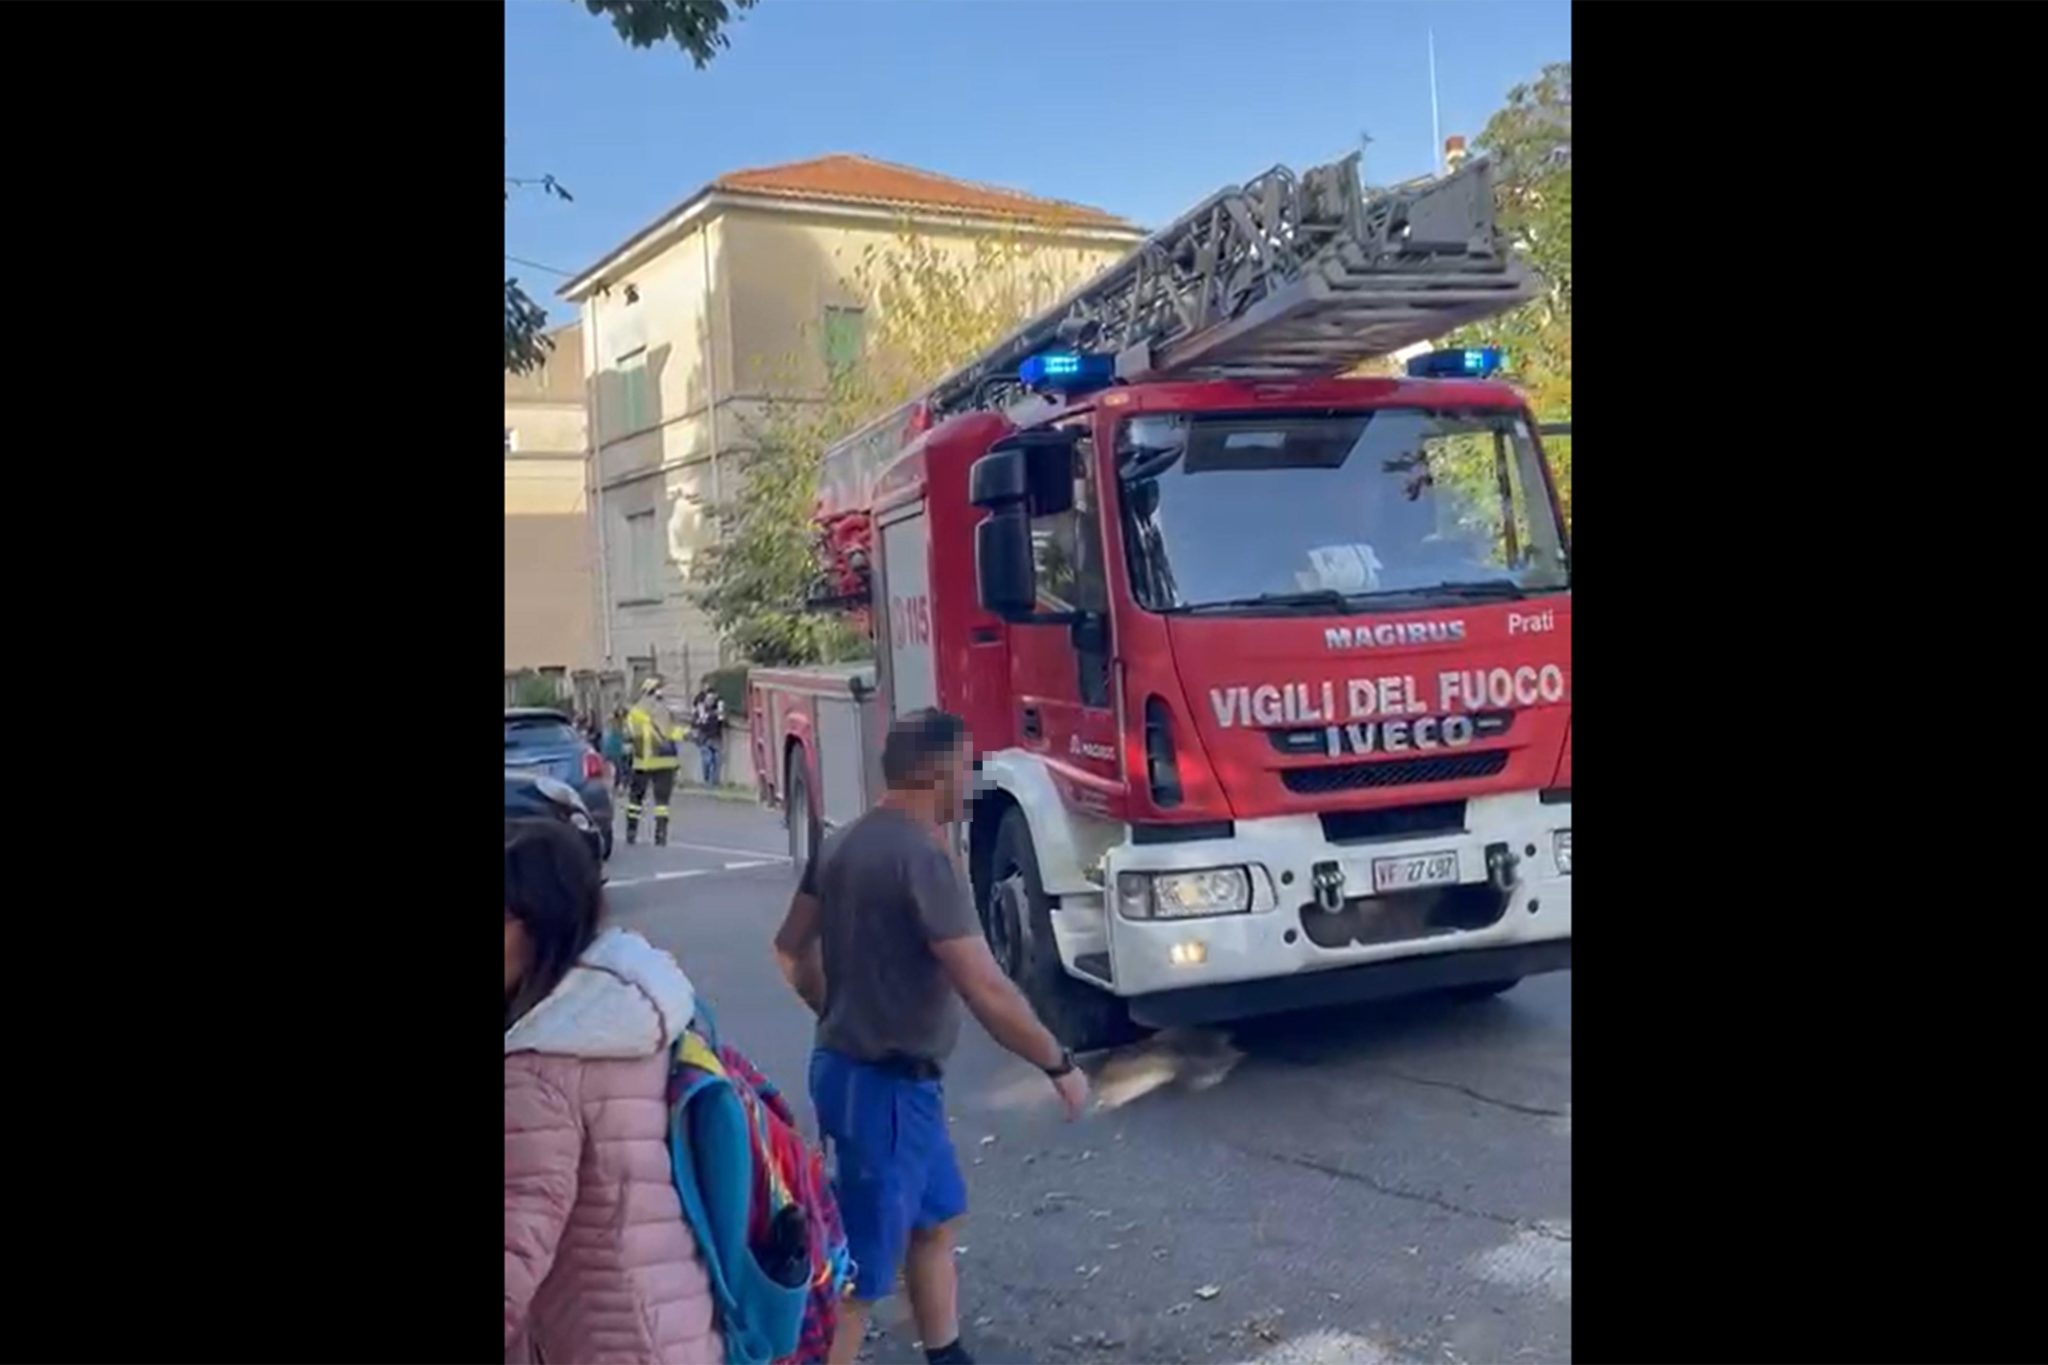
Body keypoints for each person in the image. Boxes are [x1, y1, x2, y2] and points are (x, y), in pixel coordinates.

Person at [773, 708, 1089, 1365]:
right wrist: (1057, 1062)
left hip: (871, 1079)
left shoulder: (842, 842)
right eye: (964, 766)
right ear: (935, 769)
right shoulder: (920, 855)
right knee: (859, 1272)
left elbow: (790, 950)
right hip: (882, 1090)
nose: (968, 780)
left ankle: (946, 1354)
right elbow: (983, 986)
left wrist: (835, 1009)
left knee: (936, 1218)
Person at [503, 817, 722, 1365]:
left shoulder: (540, 1067)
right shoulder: (631, 1011)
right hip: (678, 1326)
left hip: (609, 1343)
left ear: (539, 924)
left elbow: (514, 1250)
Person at [624, 677, 685, 846]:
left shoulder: (635, 712)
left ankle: (631, 831)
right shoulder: (666, 711)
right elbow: (675, 734)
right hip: (666, 761)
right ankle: (661, 834)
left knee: (635, 800)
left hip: (643, 763)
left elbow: (630, 735)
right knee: (662, 803)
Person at [691, 681, 728, 789]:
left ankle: (712, 782)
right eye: (709, 699)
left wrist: (720, 716)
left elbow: (722, 721)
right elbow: (695, 721)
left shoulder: (718, 707)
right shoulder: (701, 707)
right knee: (708, 759)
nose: (710, 701)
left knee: (716, 760)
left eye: (712, 699)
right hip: (704, 737)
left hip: (715, 736)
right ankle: (707, 780)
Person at [601, 708, 629, 793]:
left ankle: (617, 785)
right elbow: (623, 734)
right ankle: (620, 785)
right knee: (621, 768)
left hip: (610, 748)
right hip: (616, 749)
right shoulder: (618, 723)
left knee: (618, 767)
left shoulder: (611, 722)